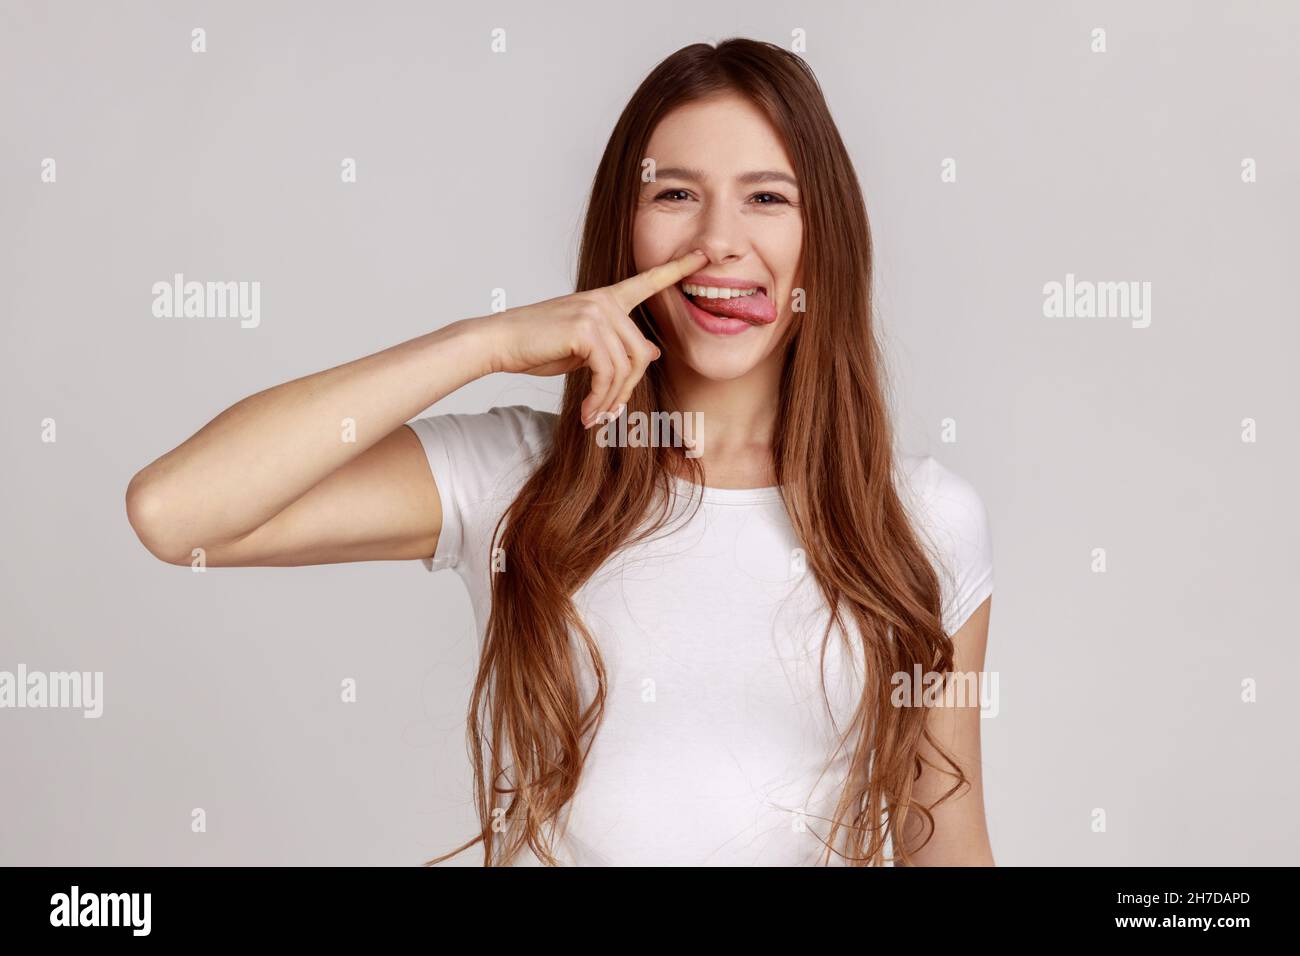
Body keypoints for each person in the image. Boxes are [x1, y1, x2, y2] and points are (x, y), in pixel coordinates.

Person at [126, 38, 995, 866]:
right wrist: (486, 341)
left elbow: (947, 844)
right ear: (624, 229)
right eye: (674, 195)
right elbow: (175, 512)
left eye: (767, 197)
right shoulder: (518, 478)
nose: (719, 241)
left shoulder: (925, 521)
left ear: (825, 236)